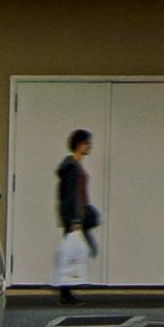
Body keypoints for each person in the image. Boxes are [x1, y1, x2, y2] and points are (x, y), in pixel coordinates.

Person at [50, 125, 102, 294]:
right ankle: (65, 288)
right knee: (77, 252)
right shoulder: (72, 167)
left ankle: (67, 289)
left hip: (77, 215)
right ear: (80, 144)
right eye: (88, 143)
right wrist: (75, 220)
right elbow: (71, 195)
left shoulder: (74, 165)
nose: (90, 147)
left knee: (77, 251)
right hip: (74, 217)